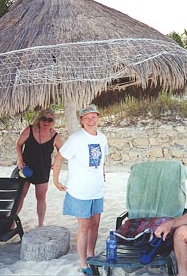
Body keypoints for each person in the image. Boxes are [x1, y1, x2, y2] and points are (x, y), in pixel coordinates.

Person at [53, 104, 109, 276]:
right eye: (87, 118)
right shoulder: (76, 138)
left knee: (95, 224)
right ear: (81, 121)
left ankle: (91, 255)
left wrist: (103, 175)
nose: (91, 121)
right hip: (80, 190)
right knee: (84, 227)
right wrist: (55, 180)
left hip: (96, 189)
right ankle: (84, 263)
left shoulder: (102, 138)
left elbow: (102, 161)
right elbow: (59, 157)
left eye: (94, 117)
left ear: (98, 118)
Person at [16, 108, 63, 227]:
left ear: (53, 122)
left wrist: (56, 161)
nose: (46, 122)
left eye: (50, 120)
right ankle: (12, 223)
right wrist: (20, 159)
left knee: (41, 197)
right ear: (39, 119)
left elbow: (63, 151)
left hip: (43, 169)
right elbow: (19, 144)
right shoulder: (30, 130)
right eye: (44, 119)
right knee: (20, 196)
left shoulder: (55, 135)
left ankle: (40, 224)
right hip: (26, 168)